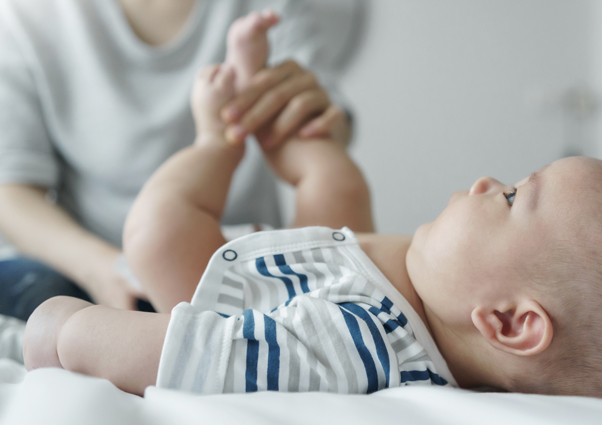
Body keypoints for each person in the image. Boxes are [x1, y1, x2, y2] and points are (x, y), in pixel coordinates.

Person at [24, 14, 602, 405]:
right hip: (326, 255)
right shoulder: (427, 300)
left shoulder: (357, 341)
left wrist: (70, 333)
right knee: (336, 186)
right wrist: (321, 144)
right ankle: (260, 92)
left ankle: (218, 133)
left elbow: (199, 355)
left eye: (513, 197)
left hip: (226, 285)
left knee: (156, 229)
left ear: (508, 320)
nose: (484, 181)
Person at [0, 0, 356, 319]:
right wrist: (102, 271)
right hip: (96, 268)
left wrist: (312, 119)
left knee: (330, 190)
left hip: (256, 268)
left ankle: (224, 138)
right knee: (35, 293)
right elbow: (10, 192)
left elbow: (330, 126)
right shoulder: (25, 16)